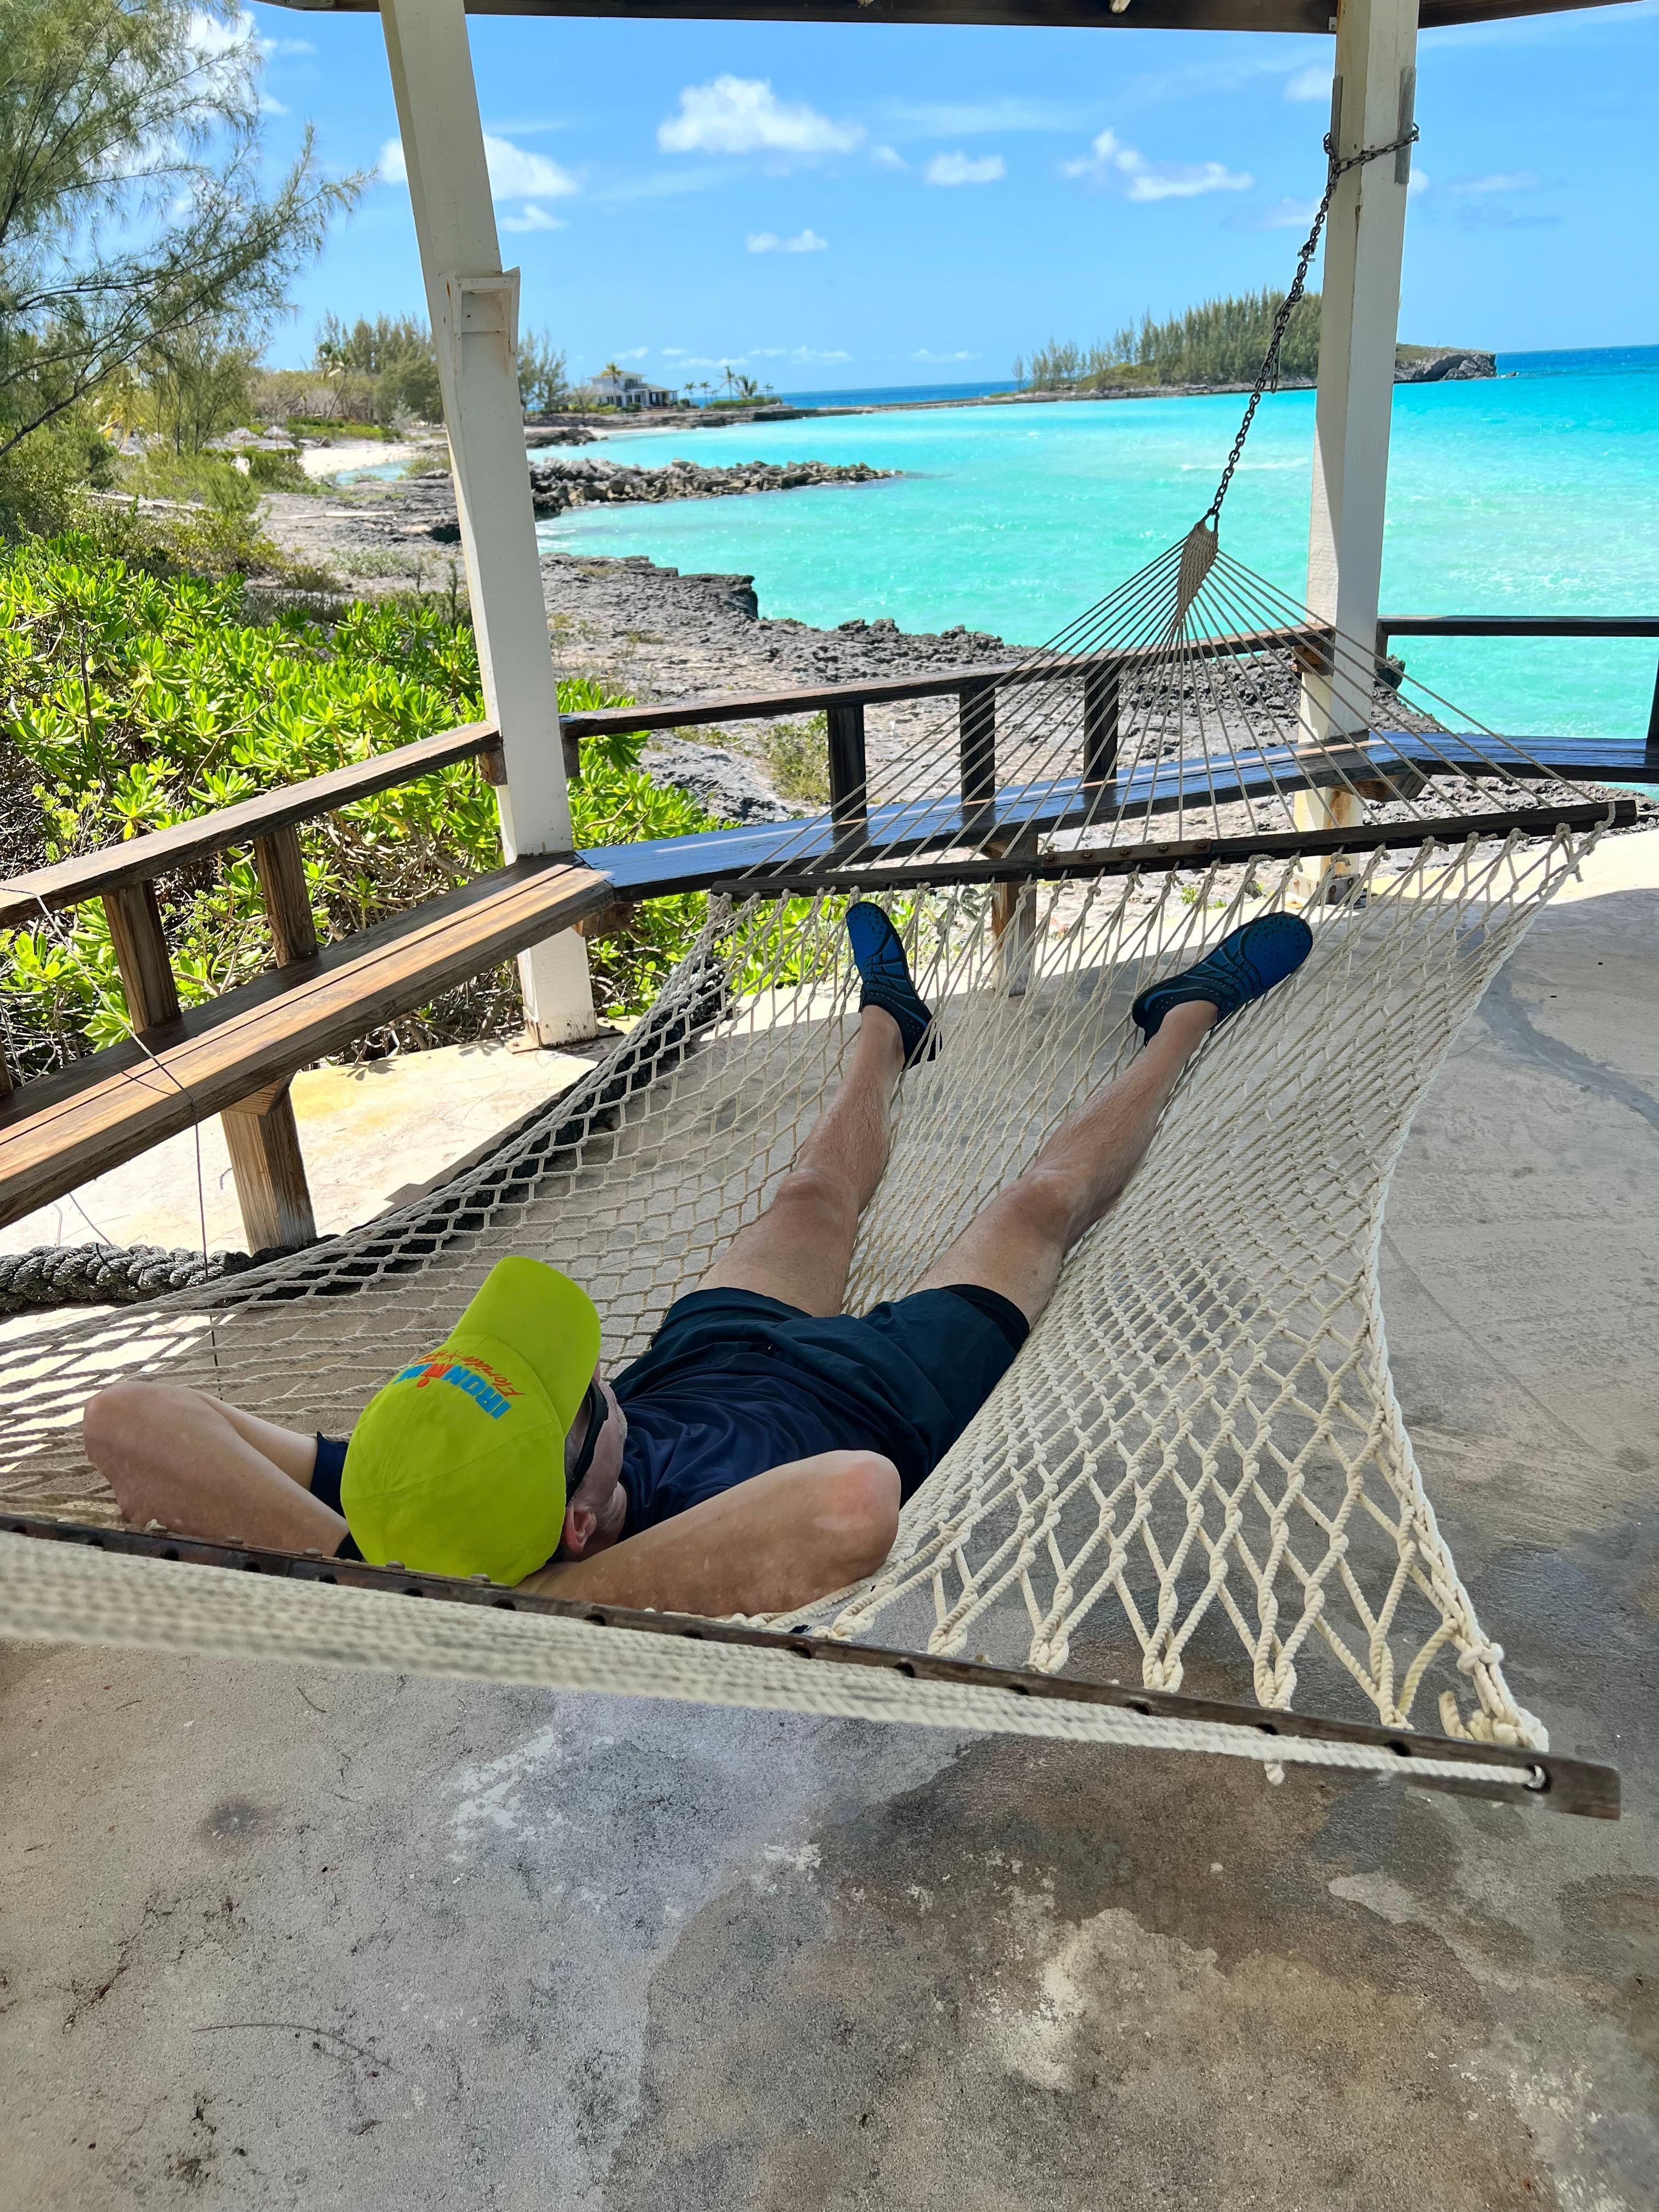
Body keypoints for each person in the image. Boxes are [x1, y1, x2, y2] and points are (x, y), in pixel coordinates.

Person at [84, 905, 1312, 1620]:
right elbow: (852, 1502)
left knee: (816, 1188)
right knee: (1041, 1202)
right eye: (581, 1399)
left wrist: (375, 1577)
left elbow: (128, 1419)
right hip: (883, 1391)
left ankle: (890, 1026)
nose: (594, 1382)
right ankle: (1186, 1014)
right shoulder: (637, 1542)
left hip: (719, 1347)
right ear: (575, 1522)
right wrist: (546, 1620)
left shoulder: (417, 1500)